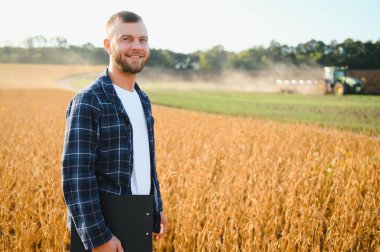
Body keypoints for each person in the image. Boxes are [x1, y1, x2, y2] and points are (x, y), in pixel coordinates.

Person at [62, 11, 167, 251]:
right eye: (127, 39)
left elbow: (145, 161)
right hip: (105, 227)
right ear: (108, 45)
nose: (137, 47)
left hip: (137, 218)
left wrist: (155, 207)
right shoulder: (90, 100)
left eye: (143, 40)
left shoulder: (143, 99)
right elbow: (76, 177)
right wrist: (98, 237)